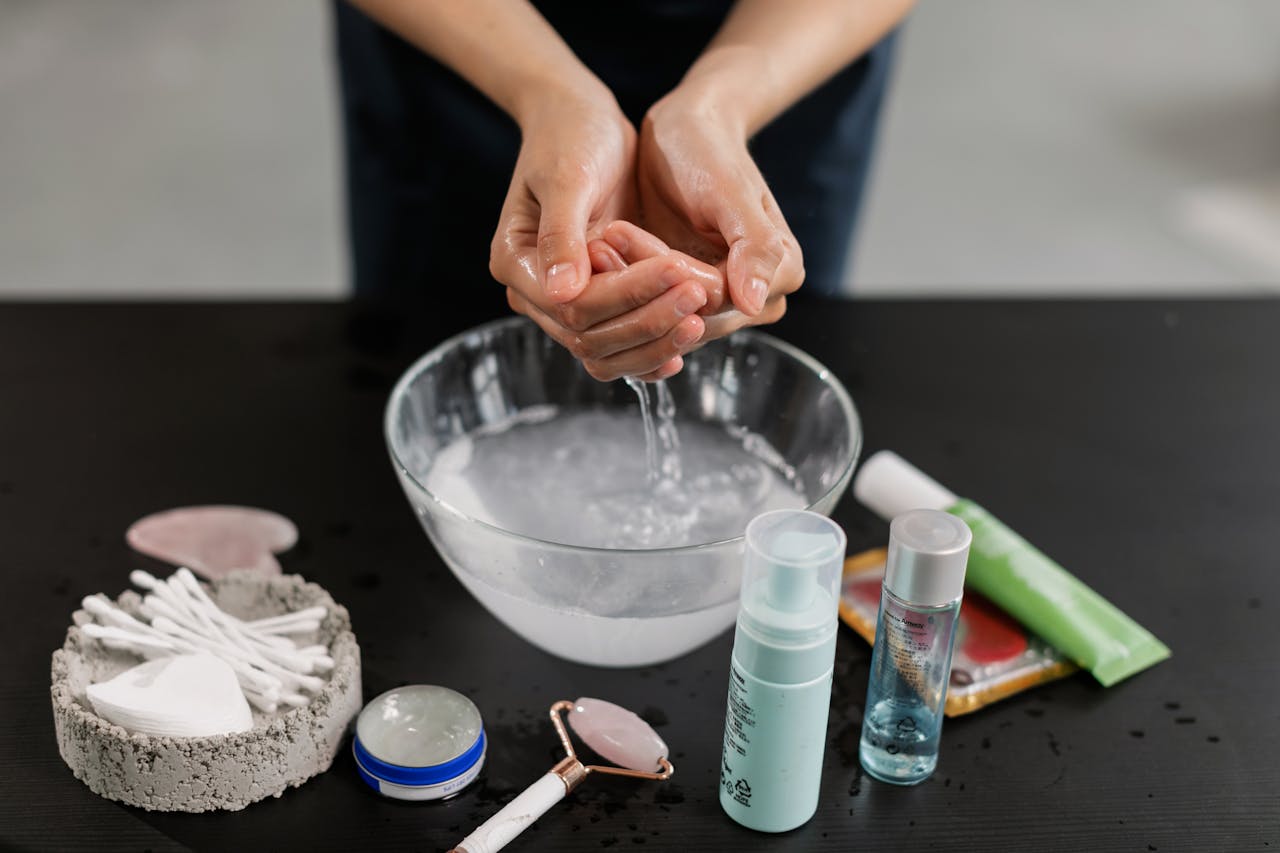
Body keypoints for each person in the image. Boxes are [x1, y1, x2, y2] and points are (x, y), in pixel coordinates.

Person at [335, 0, 913, 380]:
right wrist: (547, 92)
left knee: (758, 329)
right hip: (463, 46)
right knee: (431, 344)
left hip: (791, 44)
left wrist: (718, 106)